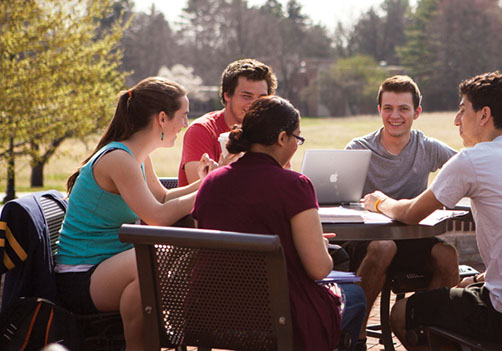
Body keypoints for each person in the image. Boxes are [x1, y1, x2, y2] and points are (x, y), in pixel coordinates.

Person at [362, 72, 502, 349]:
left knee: (401, 314)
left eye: (463, 110)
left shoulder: (472, 159)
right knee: (459, 288)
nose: (456, 120)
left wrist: (379, 201)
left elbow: (412, 213)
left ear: (484, 115)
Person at [191, 96, 366, 350]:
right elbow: (319, 269)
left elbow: (212, 245)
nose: (297, 144)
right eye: (298, 138)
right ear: (282, 138)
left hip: (214, 310)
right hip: (279, 314)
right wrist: (319, 247)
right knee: (356, 296)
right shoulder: (294, 185)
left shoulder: (211, 182)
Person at [55, 77, 216, 350]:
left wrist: (208, 181)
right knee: (151, 259)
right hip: (81, 275)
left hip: (110, 266)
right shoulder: (119, 159)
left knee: (149, 268)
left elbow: (163, 197)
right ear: (162, 118)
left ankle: (143, 342)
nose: (186, 124)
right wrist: (211, 189)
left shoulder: (137, 155)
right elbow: (158, 216)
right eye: (184, 115)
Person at [342, 75, 459, 349]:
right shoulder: (358, 148)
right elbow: (338, 202)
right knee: (384, 247)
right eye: (388, 108)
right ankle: (353, 339)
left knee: (447, 254)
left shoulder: (428, 147)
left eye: (403, 108)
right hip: (369, 241)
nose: (395, 115)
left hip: (412, 238)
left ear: (416, 112)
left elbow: (466, 169)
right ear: (379, 110)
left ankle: (430, 333)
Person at [178, 58, 277, 186]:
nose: (255, 104)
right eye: (246, 96)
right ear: (227, 95)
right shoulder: (202, 130)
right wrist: (223, 171)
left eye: (262, 98)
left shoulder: (268, 133)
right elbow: (201, 192)